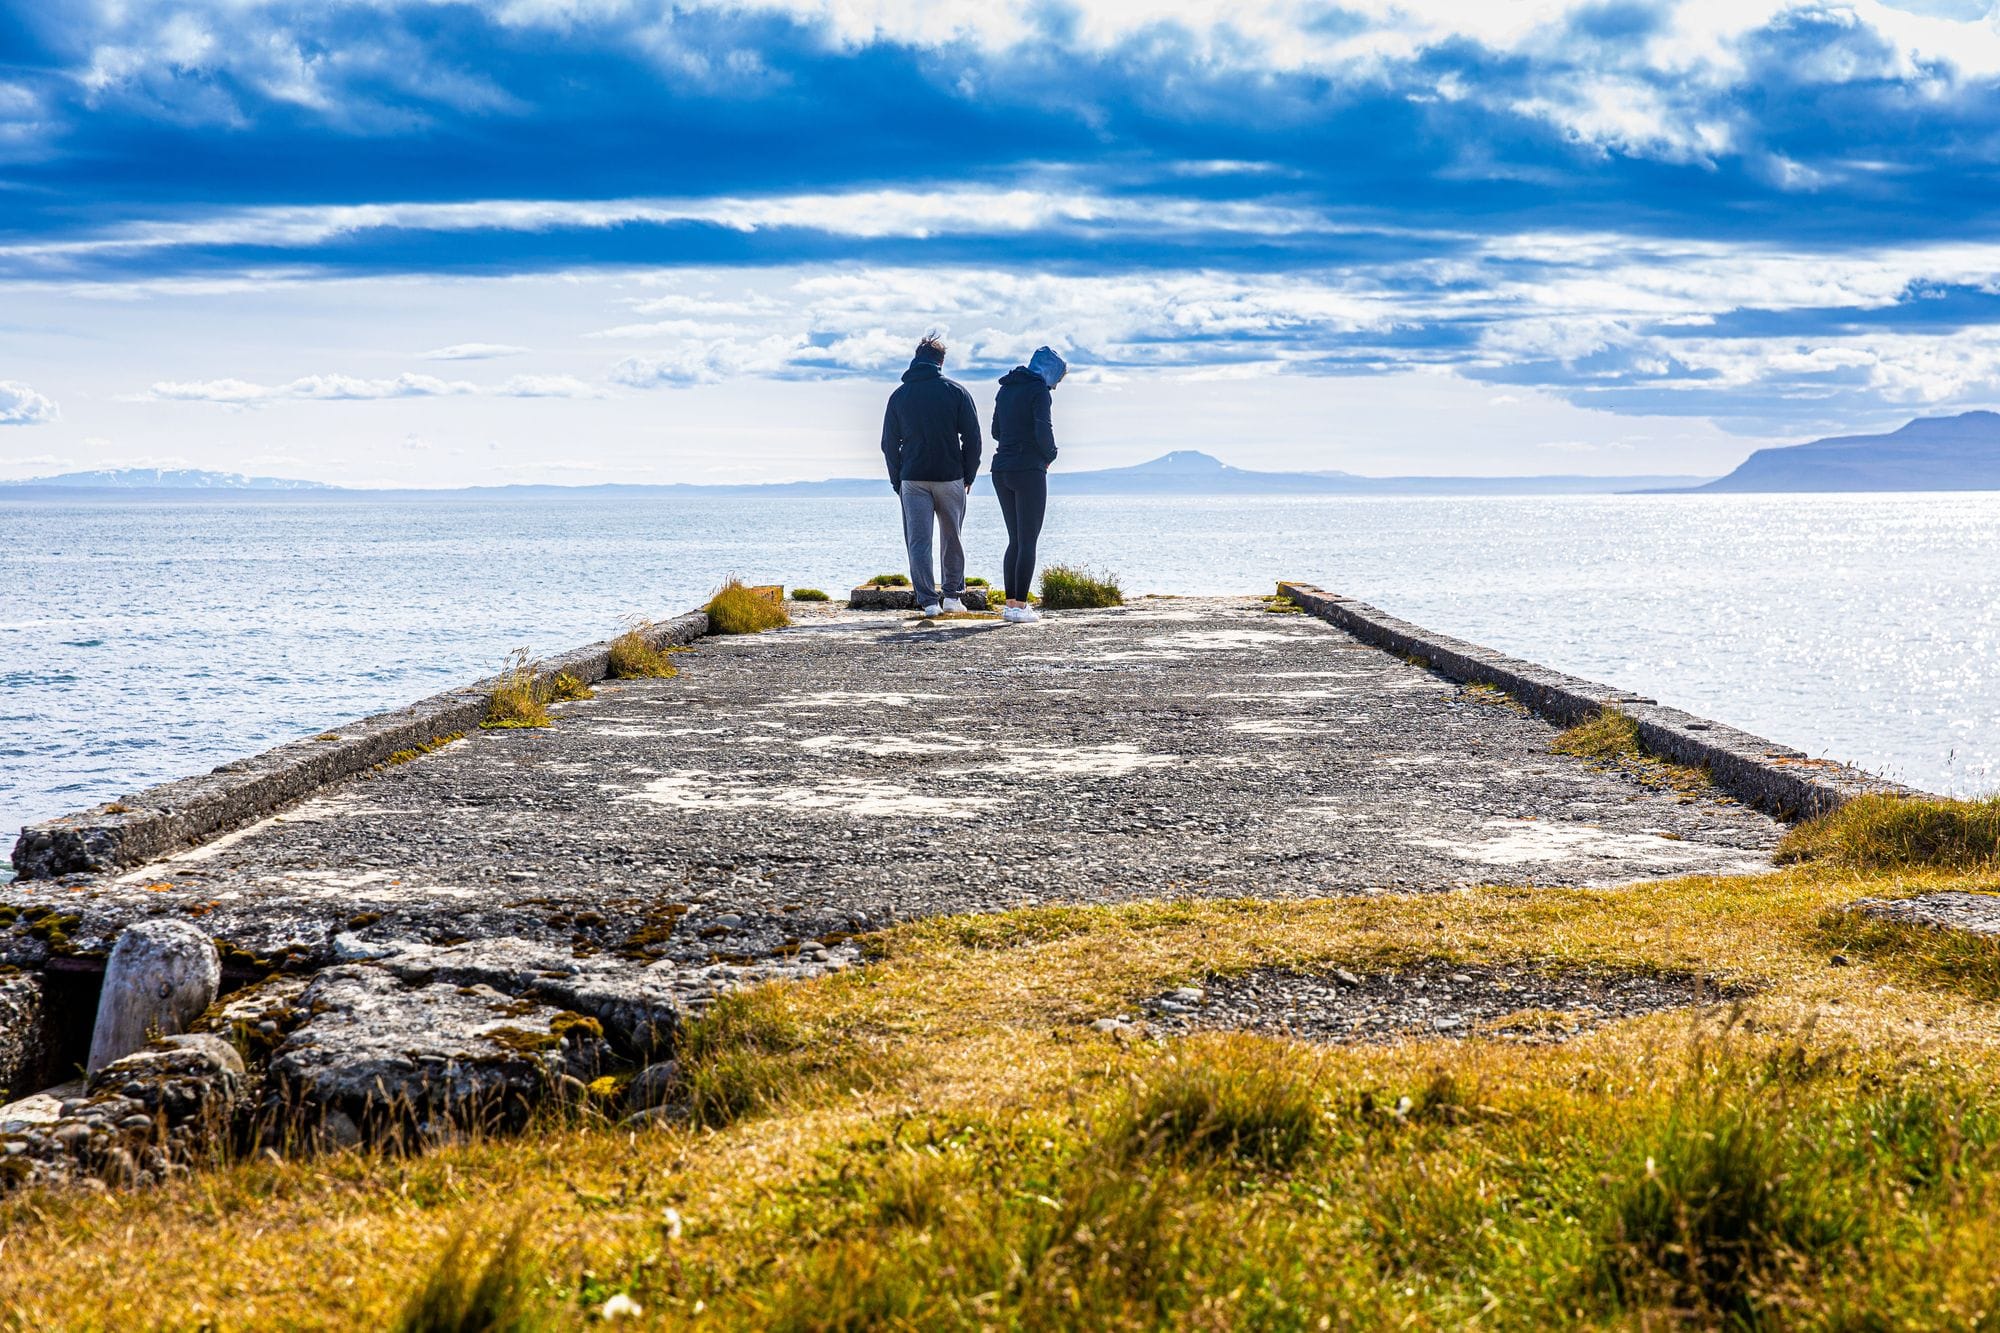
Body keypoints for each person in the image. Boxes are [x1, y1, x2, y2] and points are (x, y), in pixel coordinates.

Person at [880, 333, 982, 617]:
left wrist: (896, 479)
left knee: (918, 541)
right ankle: (951, 597)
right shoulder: (956, 391)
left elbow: (889, 443)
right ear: (941, 361)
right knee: (952, 538)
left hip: (912, 477)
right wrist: (969, 475)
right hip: (950, 476)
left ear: (916, 359)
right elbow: (972, 438)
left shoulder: (899, 395)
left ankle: (927, 602)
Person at [989, 345, 1067, 623]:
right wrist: (1051, 455)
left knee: (1015, 540)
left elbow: (996, 431)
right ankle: (1020, 606)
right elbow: (1043, 430)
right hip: (1029, 470)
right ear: (1050, 371)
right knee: (1028, 540)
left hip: (1001, 469)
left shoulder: (1006, 389)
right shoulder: (1039, 392)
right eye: (1058, 378)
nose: (1057, 385)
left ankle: (1010, 603)